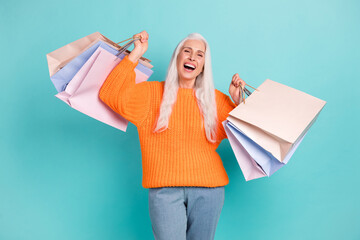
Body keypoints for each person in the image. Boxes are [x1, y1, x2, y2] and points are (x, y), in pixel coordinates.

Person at [99, 30, 246, 240]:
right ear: (177, 58)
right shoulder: (151, 95)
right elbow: (110, 94)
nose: (192, 57)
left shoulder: (215, 100)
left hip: (209, 191)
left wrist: (237, 102)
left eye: (199, 54)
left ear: (203, 65)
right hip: (164, 192)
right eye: (186, 51)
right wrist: (136, 53)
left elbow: (245, 134)